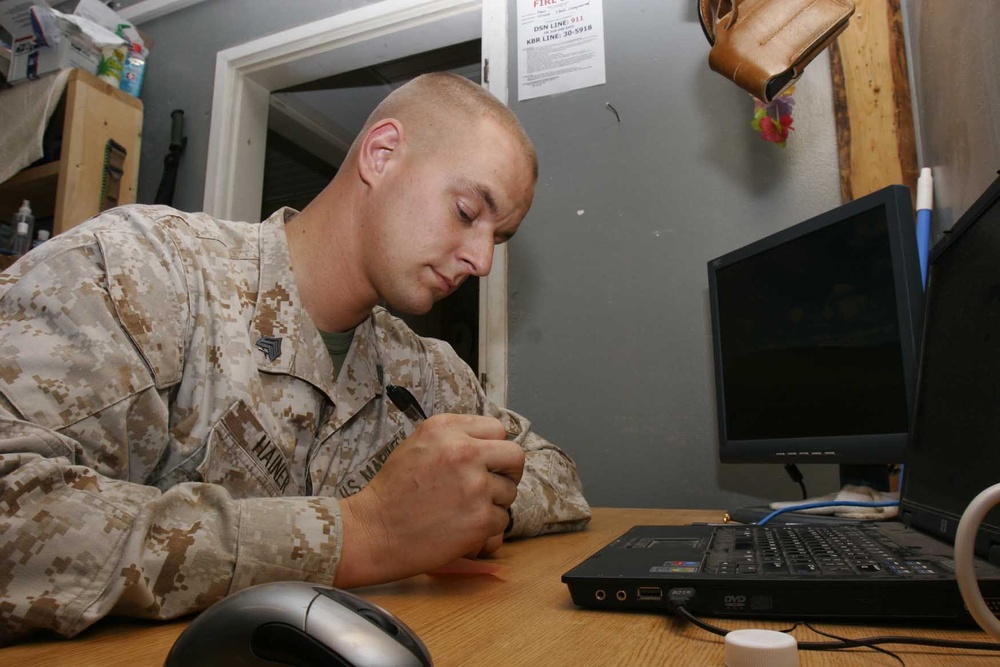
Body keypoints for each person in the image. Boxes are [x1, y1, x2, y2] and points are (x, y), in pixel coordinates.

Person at [0, 72, 591, 643]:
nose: (483, 262)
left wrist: (474, 511)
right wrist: (364, 533)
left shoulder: (423, 369)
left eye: (499, 236)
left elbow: (553, 470)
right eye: (467, 212)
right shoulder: (143, 272)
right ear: (382, 154)